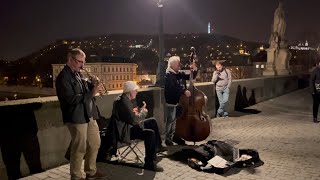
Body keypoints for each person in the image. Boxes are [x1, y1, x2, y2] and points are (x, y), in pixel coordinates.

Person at [55, 48, 108, 180]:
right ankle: (76, 176)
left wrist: (92, 84)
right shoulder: (63, 77)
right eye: (80, 62)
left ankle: (91, 171)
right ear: (70, 59)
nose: (82, 65)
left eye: (83, 62)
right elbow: (71, 99)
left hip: (89, 114)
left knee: (95, 142)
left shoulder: (78, 74)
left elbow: (84, 91)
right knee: (80, 147)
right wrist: (92, 92)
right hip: (76, 117)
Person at [106, 81, 166, 172]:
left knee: (152, 121)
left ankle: (157, 147)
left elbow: (130, 117)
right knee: (150, 134)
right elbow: (133, 120)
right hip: (125, 132)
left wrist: (138, 112)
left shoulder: (124, 100)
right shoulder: (122, 102)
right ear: (130, 91)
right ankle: (150, 163)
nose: (137, 92)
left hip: (127, 127)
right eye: (135, 90)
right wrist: (143, 112)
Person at [164, 56, 197, 146]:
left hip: (178, 101)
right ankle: (168, 139)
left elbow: (190, 76)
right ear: (173, 64)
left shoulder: (176, 73)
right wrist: (183, 91)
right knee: (170, 121)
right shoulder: (168, 75)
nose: (180, 65)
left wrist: (194, 69)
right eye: (178, 64)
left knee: (175, 120)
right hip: (171, 101)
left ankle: (174, 136)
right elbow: (173, 87)